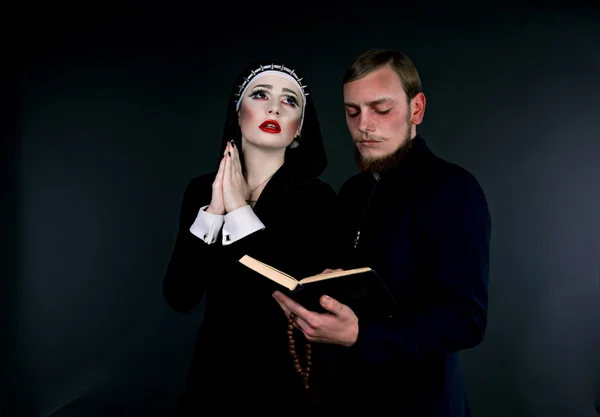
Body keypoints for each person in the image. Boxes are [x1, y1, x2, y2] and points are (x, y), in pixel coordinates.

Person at [273, 49, 492, 416]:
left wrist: (362, 335)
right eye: (352, 111)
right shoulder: (351, 192)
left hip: (420, 406)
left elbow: (466, 321)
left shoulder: (453, 188)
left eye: (381, 109)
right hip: (347, 398)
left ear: (416, 109)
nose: (364, 125)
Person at [162, 60, 337, 416]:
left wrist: (240, 209)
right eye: (260, 95)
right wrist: (213, 210)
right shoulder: (200, 190)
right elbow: (180, 296)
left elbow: (286, 295)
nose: (274, 107)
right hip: (211, 383)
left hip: (283, 386)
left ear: (299, 130)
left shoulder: (319, 199)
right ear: (238, 112)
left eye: (290, 101)